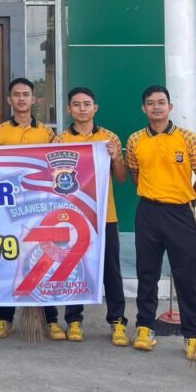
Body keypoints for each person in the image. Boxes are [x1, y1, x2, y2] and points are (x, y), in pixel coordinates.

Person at [125, 85, 196, 360]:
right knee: (146, 273)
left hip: (180, 213)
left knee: (186, 276)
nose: (156, 107)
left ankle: (192, 335)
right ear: (144, 108)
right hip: (148, 212)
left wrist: (188, 203)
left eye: (161, 102)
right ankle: (145, 327)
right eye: (150, 103)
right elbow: (135, 174)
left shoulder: (188, 138)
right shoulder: (135, 140)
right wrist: (155, 193)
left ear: (170, 107)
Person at [49, 87, 130, 346]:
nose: (82, 108)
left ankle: (117, 321)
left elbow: (121, 178)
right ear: (68, 109)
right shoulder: (60, 140)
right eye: (76, 104)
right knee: (73, 267)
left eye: (87, 104)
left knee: (111, 270)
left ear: (95, 108)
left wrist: (116, 158)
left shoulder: (109, 138)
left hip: (105, 216)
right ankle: (74, 320)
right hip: (72, 217)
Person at [0, 77, 56, 339]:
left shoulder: (47, 134)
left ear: (33, 99)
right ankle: (4, 318)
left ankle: (50, 319)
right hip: (9, 208)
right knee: (9, 262)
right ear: (9, 100)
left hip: (39, 206)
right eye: (16, 94)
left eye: (26, 94)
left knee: (43, 259)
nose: (21, 99)